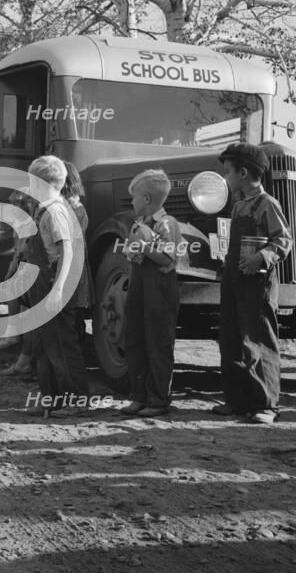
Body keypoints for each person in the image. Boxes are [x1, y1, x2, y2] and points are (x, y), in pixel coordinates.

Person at [213, 142, 293, 424]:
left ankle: (265, 405)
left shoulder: (267, 204)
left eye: (228, 172)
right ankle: (237, 401)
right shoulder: (238, 206)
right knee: (232, 338)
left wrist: (261, 257)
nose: (226, 178)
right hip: (233, 280)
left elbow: (283, 240)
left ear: (243, 173)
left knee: (258, 339)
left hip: (257, 285)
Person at [24, 155, 90, 417]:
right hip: (41, 282)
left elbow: (67, 251)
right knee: (44, 344)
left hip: (53, 282)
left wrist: (59, 288)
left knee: (63, 344)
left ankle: (76, 400)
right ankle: (51, 398)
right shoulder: (45, 208)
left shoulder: (54, 210)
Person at [120, 169, 182, 417]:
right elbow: (133, 254)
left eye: (134, 197)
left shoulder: (167, 224)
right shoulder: (141, 224)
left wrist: (143, 246)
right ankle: (138, 395)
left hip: (160, 289)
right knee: (135, 339)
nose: (131, 202)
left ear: (146, 198)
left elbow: (168, 257)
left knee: (158, 343)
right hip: (139, 286)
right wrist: (133, 249)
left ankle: (158, 399)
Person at [0, 187, 35, 377]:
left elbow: (24, 251)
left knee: (28, 316)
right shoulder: (19, 225)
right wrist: (11, 270)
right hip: (23, 268)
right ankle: (22, 353)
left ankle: (24, 356)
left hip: (29, 270)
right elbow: (16, 252)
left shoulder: (30, 225)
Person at [61, 161, 96, 341]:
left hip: (70, 263)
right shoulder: (74, 205)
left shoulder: (72, 208)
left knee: (69, 312)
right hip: (75, 261)